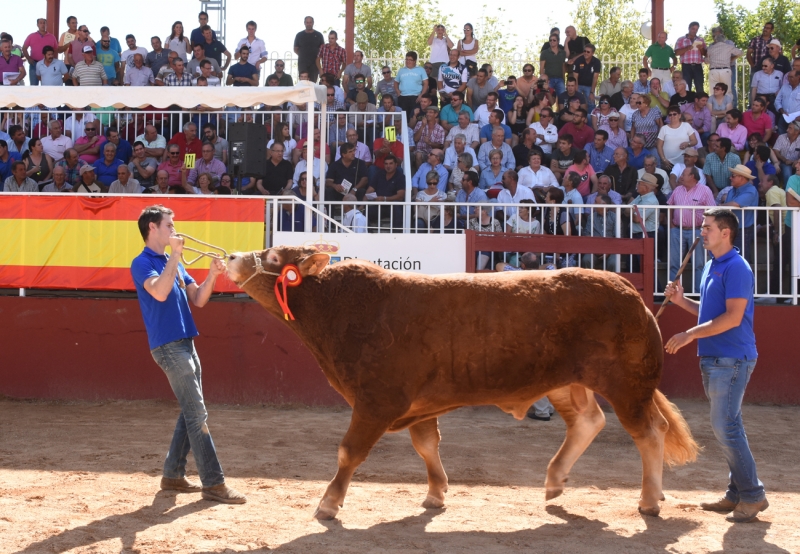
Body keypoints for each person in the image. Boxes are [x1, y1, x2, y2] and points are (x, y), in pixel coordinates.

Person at [131, 206, 246, 504]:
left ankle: (173, 474)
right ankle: (214, 483)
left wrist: (211, 275)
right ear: (153, 228)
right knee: (197, 414)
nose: (174, 229)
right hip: (169, 346)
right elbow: (159, 291)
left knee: (190, 410)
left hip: (185, 343)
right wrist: (173, 256)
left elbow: (199, 299)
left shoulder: (175, 262)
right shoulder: (142, 262)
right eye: (169, 225)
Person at [664, 207, 767, 524]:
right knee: (730, 426)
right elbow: (710, 314)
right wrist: (682, 302)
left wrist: (689, 335)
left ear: (726, 233)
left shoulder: (737, 267)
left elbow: (733, 318)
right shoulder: (711, 264)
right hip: (716, 357)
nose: (702, 231)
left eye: (708, 227)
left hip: (731, 358)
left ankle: (752, 496)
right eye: (703, 226)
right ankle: (737, 493)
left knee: (725, 427)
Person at [667, 166, 715, 292]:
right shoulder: (677, 190)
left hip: (697, 230)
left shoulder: (705, 190)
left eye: (683, 174)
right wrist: (671, 225)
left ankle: (698, 293)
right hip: (677, 230)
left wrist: (706, 229)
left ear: (692, 176)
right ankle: (673, 292)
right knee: (674, 264)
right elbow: (670, 206)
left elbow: (712, 210)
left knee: (699, 264)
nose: (680, 177)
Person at [657, 106, 697, 171]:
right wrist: (663, 160)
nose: (672, 116)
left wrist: (688, 143)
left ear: (679, 115)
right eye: (670, 115)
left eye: (674, 114)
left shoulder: (686, 125)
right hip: (669, 163)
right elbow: (659, 146)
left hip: (684, 161)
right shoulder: (664, 128)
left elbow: (694, 141)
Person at [395, 51, 428, 122]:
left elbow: (426, 83)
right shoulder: (401, 70)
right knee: (403, 119)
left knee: (414, 117)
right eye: (407, 59)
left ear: (415, 61)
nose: (408, 61)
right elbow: (395, 82)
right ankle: (405, 132)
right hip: (403, 97)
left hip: (416, 97)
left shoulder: (421, 70)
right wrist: (398, 92)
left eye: (410, 60)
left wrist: (422, 95)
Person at [23, 18, 58, 86]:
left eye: (44, 23)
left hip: (48, 64)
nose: (42, 25)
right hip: (34, 64)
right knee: (33, 85)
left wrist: (54, 62)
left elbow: (56, 50)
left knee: (47, 85)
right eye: (40, 23)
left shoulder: (52, 37)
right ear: (37, 25)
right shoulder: (31, 36)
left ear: (46, 24)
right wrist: (28, 58)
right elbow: (24, 48)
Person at [674, 22, 706, 92]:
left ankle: (701, 101)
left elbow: (705, 54)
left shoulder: (701, 40)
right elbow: (676, 53)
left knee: (700, 86)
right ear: (689, 28)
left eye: (696, 29)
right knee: (686, 86)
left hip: (698, 66)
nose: (694, 31)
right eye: (693, 29)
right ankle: (687, 102)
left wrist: (701, 48)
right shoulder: (681, 39)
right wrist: (687, 48)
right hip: (686, 66)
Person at [572, 43, 601, 113]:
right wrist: (576, 89)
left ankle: (590, 120)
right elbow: (575, 76)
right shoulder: (578, 60)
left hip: (589, 86)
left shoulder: (596, 62)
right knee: (575, 102)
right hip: (578, 85)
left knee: (591, 102)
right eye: (584, 51)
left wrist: (592, 92)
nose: (586, 53)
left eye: (588, 52)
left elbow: (595, 78)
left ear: (592, 53)